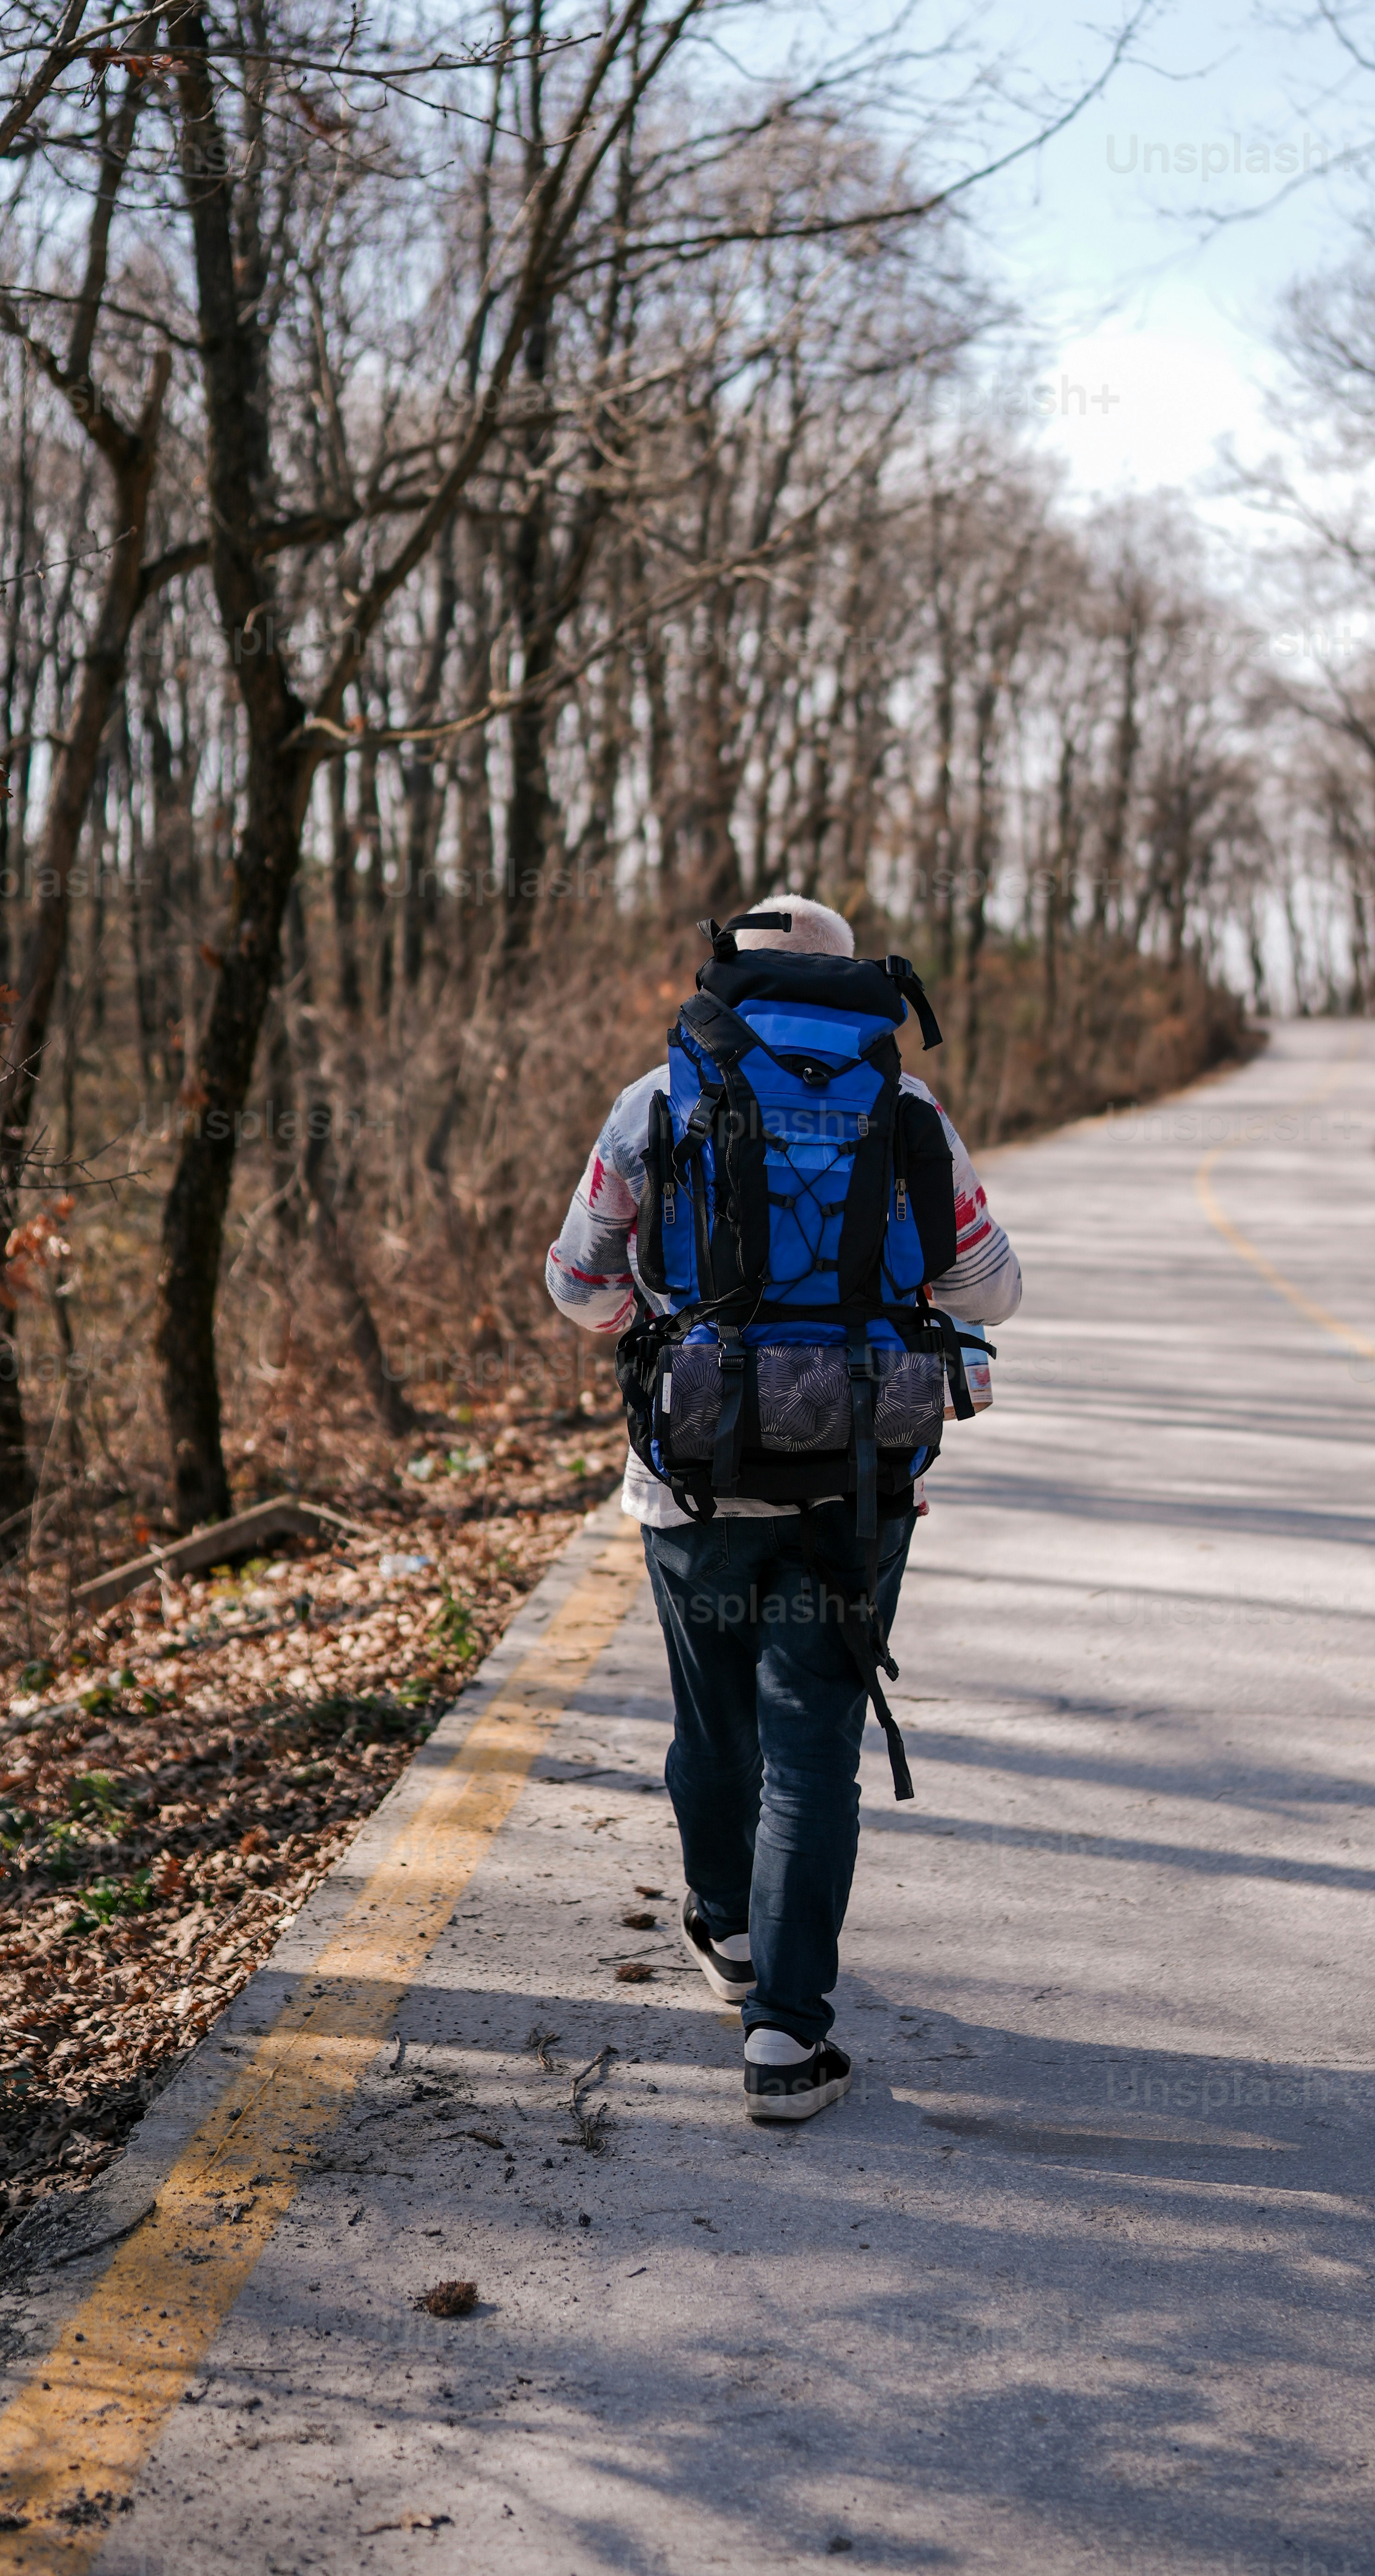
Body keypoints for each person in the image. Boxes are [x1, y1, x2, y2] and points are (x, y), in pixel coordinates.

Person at [546, 893, 1021, 2123]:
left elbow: (579, 1282)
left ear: (729, 977)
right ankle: (784, 2044)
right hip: (858, 1470)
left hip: (693, 1471)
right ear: (851, 977)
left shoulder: (655, 1101)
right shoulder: (906, 1107)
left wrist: (672, 1335)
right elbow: (993, 1287)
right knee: (812, 1748)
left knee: (714, 1727)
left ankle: (725, 1930)